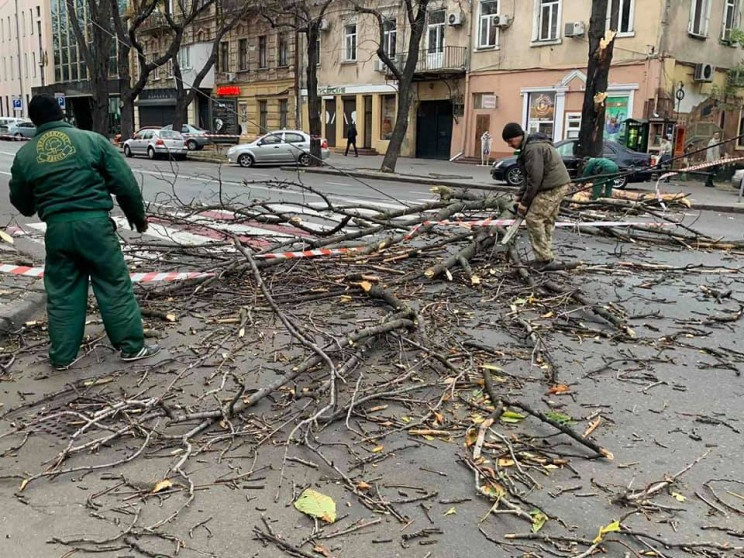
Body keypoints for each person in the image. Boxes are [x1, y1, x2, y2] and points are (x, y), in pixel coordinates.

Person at [9, 94, 160, 370]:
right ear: (61, 114)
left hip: (57, 231)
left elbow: (21, 200)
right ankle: (131, 347)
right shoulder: (92, 141)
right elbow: (124, 182)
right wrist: (137, 218)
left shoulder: (25, 155)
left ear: (34, 120)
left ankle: (62, 357)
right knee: (113, 284)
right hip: (95, 227)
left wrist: (38, 202)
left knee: (63, 291)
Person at [501, 122, 571, 271]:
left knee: (534, 218)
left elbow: (535, 179)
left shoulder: (532, 149)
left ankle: (543, 259)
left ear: (517, 137)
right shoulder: (530, 145)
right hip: (557, 184)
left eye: (510, 141)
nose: (509, 145)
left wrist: (525, 203)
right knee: (546, 220)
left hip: (552, 186)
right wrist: (518, 198)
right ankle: (547, 256)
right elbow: (528, 179)